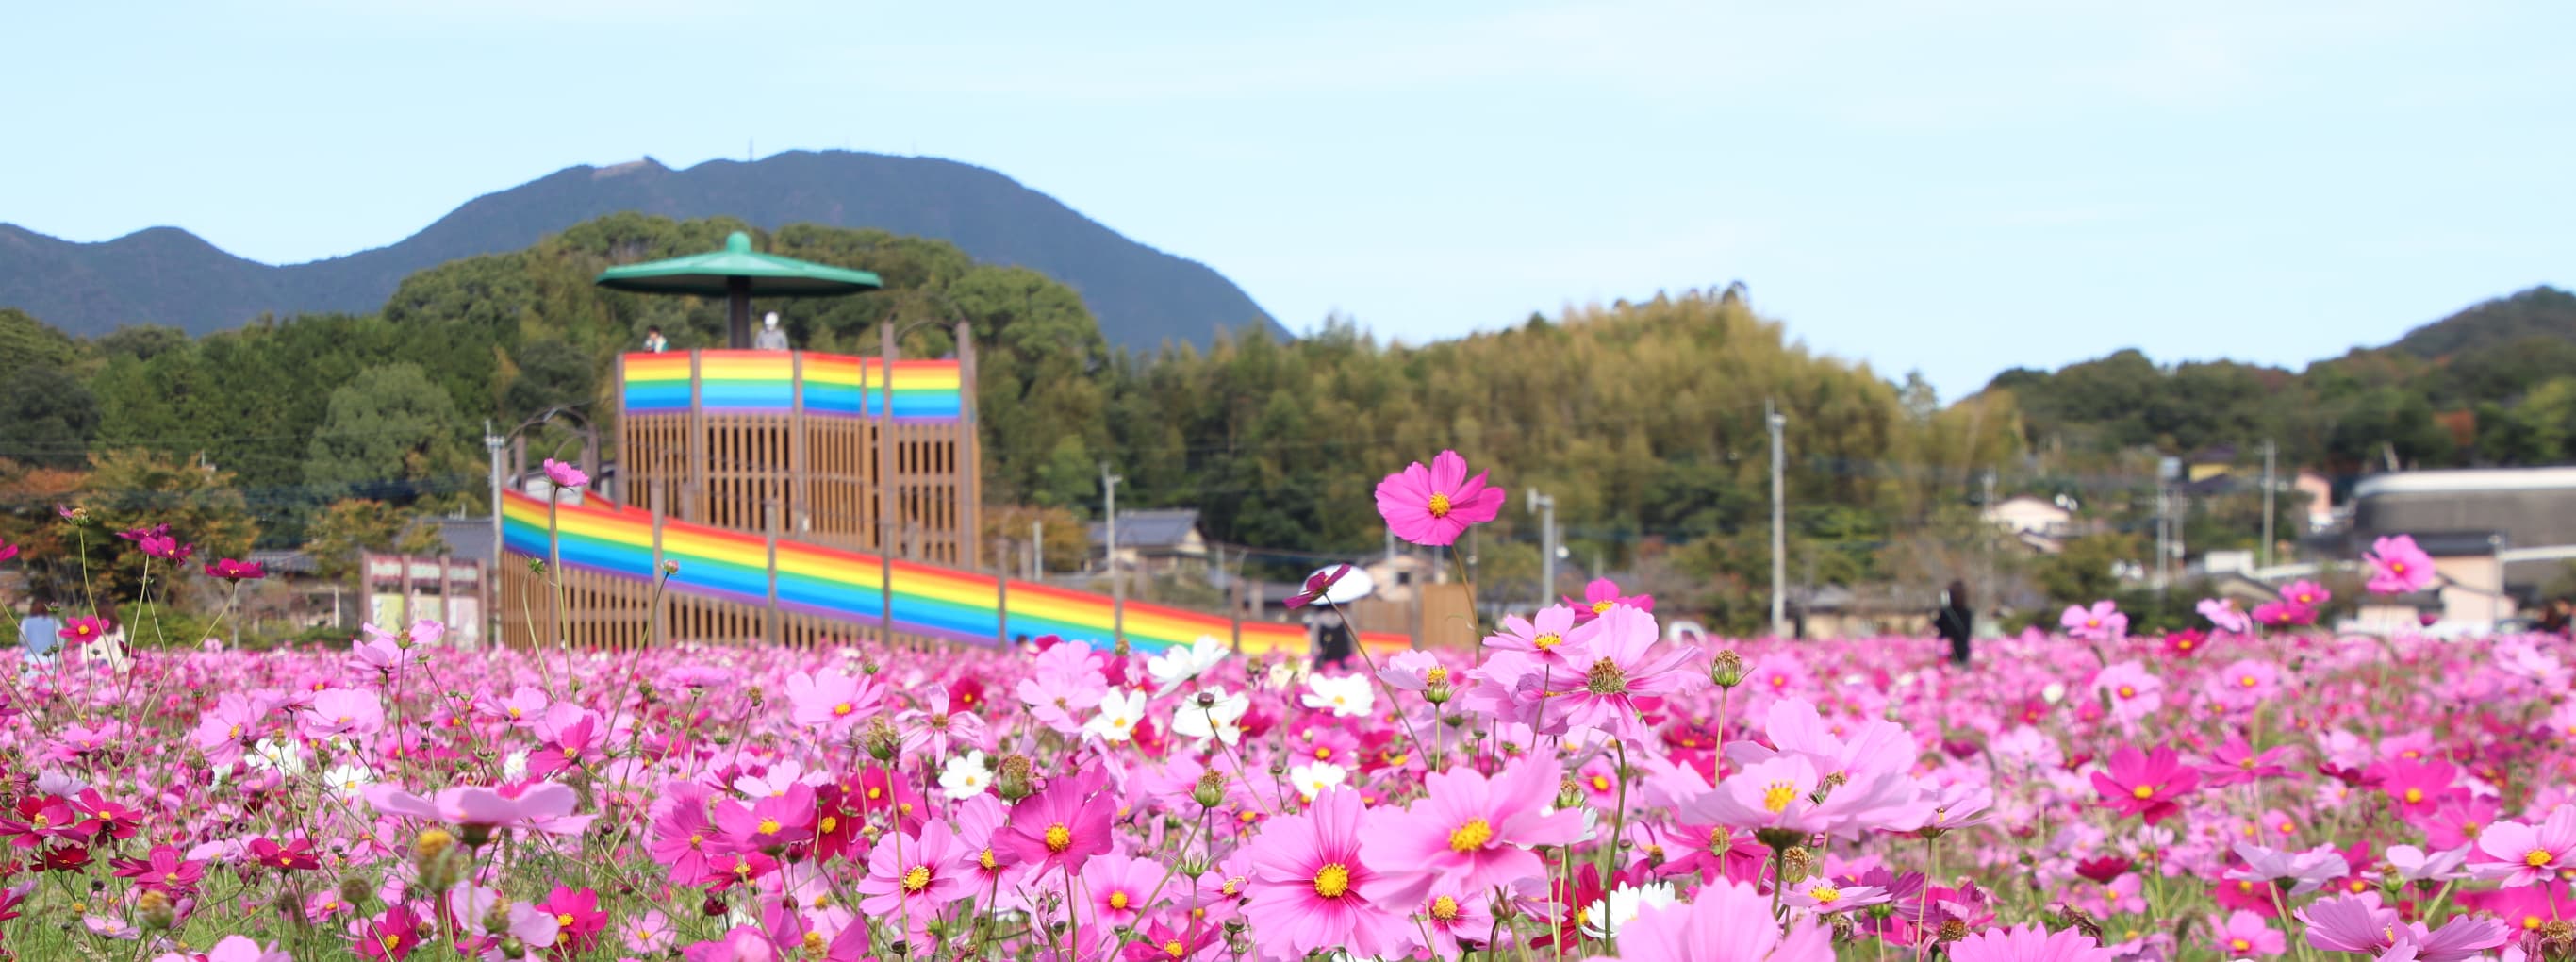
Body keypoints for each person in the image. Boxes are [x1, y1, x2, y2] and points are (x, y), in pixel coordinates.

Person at [1933, 580, 1974, 667]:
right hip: (1963, 652)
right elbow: (1968, 632)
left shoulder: (1945, 613)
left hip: (1947, 652)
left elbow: (1939, 629)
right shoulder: (1968, 613)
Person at [18, 595, 60, 668]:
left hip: (32, 658)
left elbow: (22, 640)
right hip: (52, 658)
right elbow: (60, 641)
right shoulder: (54, 621)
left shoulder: (26, 622)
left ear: (31, 609)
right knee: (52, 678)